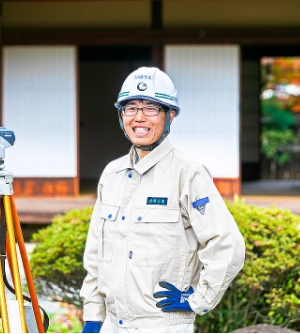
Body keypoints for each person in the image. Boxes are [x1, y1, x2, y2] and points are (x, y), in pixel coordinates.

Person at [79, 67, 246, 333]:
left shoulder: (187, 173)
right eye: (130, 108)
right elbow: (96, 253)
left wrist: (198, 300)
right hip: (112, 324)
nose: (139, 117)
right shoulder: (112, 174)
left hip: (163, 326)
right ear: (122, 115)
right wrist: (93, 315)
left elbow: (227, 245)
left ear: (171, 115)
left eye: (152, 108)